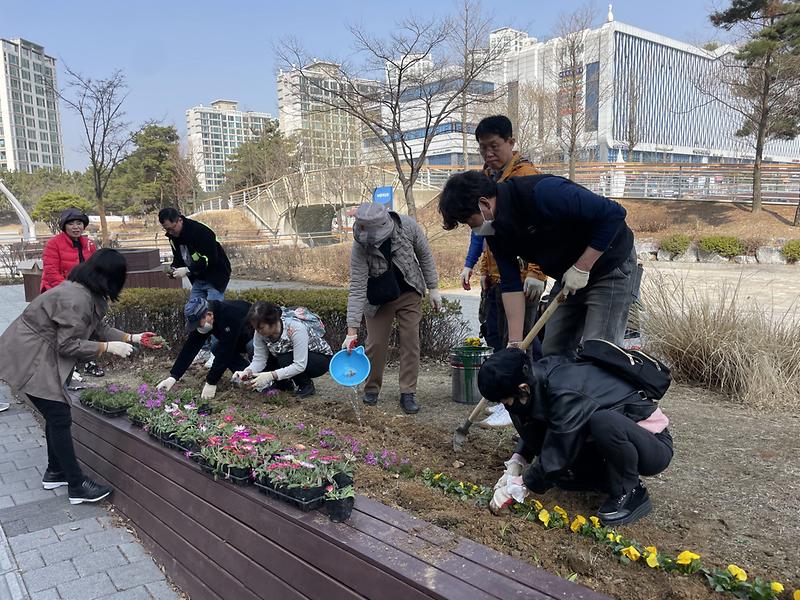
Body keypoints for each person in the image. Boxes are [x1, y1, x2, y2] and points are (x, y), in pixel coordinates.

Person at [0, 249, 161, 504]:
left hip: (41, 356)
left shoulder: (85, 292)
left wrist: (132, 338)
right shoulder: (75, 298)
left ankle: (55, 472)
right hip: (32, 357)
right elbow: (68, 345)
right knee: (59, 415)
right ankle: (76, 485)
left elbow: (98, 327)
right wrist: (107, 348)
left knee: (57, 416)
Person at [439, 171, 638, 358]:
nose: (471, 227)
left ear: (484, 204)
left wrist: (582, 266)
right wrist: (515, 343)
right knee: (553, 349)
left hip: (609, 264)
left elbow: (614, 214)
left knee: (600, 350)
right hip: (568, 274)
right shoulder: (496, 231)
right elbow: (510, 283)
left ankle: (606, 393)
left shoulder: (544, 193)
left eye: (469, 221)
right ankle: (565, 393)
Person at [477, 347, 673, 526]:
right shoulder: (534, 381)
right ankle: (600, 478)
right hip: (612, 442)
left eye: (506, 400)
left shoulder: (565, 389)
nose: (506, 406)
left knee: (603, 422)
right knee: (563, 474)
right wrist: (517, 460)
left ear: (523, 388)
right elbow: (535, 426)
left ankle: (629, 491)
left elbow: (559, 449)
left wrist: (521, 486)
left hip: (651, 444)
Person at [342, 202, 441, 414]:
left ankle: (408, 392)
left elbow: (425, 256)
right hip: (378, 299)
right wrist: (352, 331)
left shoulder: (408, 226)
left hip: (409, 291)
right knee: (375, 344)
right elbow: (357, 286)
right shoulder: (360, 246)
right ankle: (371, 389)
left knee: (410, 341)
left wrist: (433, 288)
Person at [40, 207, 104, 378]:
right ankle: (66, 367)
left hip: (84, 294)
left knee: (89, 328)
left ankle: (89, 362)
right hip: (60, 294)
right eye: (71, 223)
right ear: (64, 226)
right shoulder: (54, 244)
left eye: (79, 223)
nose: (76, 227)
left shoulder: (89, 244)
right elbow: (51, 273)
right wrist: (71, 294)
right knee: (66, 332)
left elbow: (95, 269)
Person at [157, 297, 253, 400]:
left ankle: (264, 377)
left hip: (254, 337)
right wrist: (174, 376)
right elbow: (191, 346)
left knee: (250, 346)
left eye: (199, 324)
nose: (198, 327)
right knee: (215, 348)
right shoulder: (204, 317)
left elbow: (226, 351)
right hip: (236, 339)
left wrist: (211, 382)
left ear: (209, 315)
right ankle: (248, 376)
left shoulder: (229, 315)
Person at [232, 302, 333, 398]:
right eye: (255, 328)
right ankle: (283, 384)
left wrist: (271, 376)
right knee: (252, 348)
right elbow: (259, 360)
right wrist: (247, 372)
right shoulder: (260, 333)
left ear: (273, 321)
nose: (258, 331)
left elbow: (299, 365)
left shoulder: (294, 328)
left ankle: (305, 385)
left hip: (318, 359)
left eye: (261, 327)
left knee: (285, 357)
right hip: (286, 355)